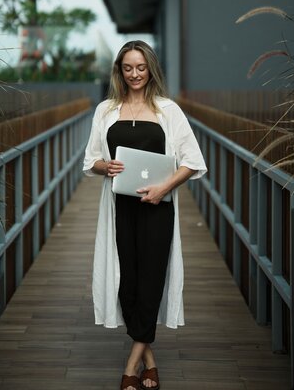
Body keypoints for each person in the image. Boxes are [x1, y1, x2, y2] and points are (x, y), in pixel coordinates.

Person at [83, 40, 207, 390]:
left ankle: (130, 367)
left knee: (151, 280)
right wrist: (104, 166)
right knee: (129, 284)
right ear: (119, 71)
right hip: (119, 208)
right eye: (128, 68)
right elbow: (89, 160)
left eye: (141, 67)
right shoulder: (105, 110)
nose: (135, 74)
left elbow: (193, 162)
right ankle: (150, 362)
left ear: (150, 69)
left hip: (157, 208)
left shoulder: (169, 110)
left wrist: (163, 189)